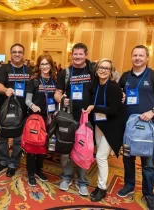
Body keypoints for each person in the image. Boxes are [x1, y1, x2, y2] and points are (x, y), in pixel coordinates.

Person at [117, 45, 154, 210]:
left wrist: (153, 111)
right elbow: (118, 95)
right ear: (131, 57)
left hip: (147, 126)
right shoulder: (125, 76)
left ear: (147, 58)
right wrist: (121, 97)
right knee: (128, 158)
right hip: (128, 126)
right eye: (135, 55)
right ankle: (129, 185)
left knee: (148, 162)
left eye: (141, 55)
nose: (137, 58)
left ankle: (148, 194)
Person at [54, 43, 95, 196]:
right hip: (68, 117)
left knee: (84, 150)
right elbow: (57, 93)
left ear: (86, 55)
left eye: (80, 54)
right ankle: (66, 176)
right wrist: (61, 99)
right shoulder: (65, 73)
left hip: (86, 118)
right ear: (71, 55)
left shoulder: (92, 71)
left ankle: (82, 181)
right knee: (66, 150)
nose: (77, 57)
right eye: (75, 54)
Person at [84, 58, 125, 201]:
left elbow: (114, 110)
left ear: (111, 71)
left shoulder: (113, 86)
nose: (103, 70)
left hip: (112, 127)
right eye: (101, 67)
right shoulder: (96, 84)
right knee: (100, 156)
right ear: (96, 69)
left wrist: (95, 108)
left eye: (107, 68)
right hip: (100, 125)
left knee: (100, 157)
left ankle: (102, 188)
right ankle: (100, 185)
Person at [0, 43, 32, 177]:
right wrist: (5, 90)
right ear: (10, 54)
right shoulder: (3, 69)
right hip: (4, 110)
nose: (17, 54)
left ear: (23, 54)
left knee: (17, 140)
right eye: (14, 52)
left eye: (20, 52)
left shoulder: (28, 71)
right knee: (2, 137)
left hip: (22, 111)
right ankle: (3, 160)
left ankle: (13, 164)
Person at [25, 54, 57, 186]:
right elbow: (27, 100)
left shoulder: (55, 80)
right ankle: (31, 173)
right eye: (42, 64)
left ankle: (39, 169)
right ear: (39, 66)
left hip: (49, 117)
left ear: (51, 65)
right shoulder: (34, 81)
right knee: (33, 145)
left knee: (43, 145)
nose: (45, 67)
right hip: (36, 118)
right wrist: (33, 106)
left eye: (47, 64)